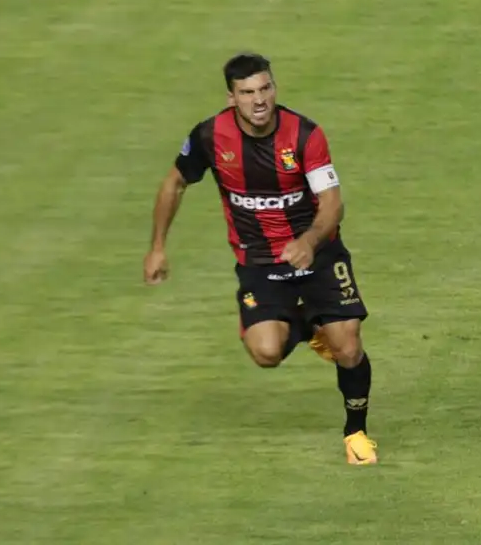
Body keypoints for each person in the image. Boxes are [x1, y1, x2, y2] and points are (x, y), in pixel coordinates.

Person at [143, 52, 377, 465]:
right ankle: (307, 325)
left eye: (265, 88)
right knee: (265, 353)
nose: (259, 100)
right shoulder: (210, 137)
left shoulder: (304, 135)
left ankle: (355, 431)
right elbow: (175, 183)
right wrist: (158, 246)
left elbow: (332, 203)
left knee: (349, 346)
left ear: (275, 88)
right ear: (232, 97)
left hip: (318, 254)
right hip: (260, 263)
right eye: (247, 92)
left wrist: (309, 240)